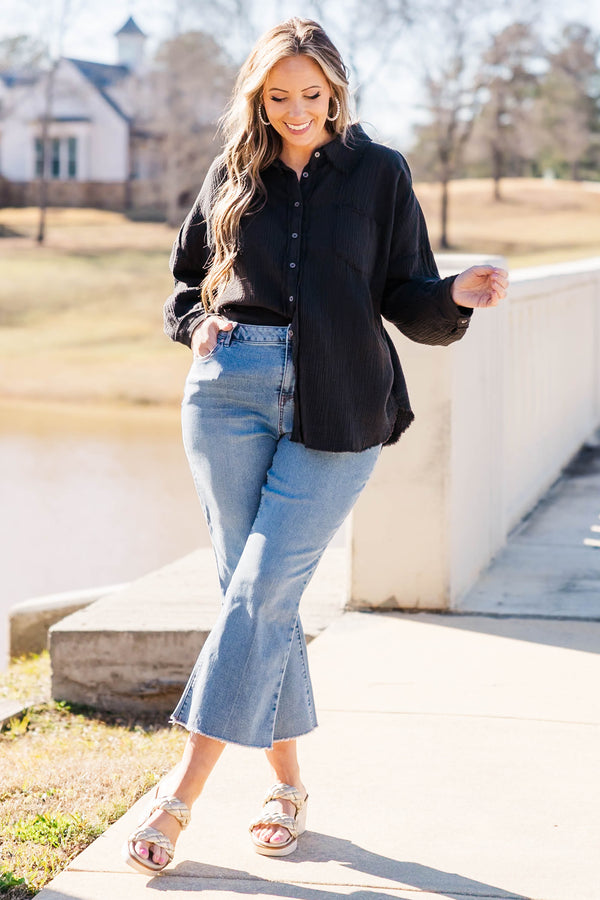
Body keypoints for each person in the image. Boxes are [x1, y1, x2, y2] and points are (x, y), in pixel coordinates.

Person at [122, 17, 508, 873]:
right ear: (259, 96)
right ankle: (286, 788)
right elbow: (186, 282)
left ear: (336, 87)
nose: (297, 111)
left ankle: (178, 796)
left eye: (311, 94)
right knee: (256, 598)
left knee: (258, 591)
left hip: (340, 401)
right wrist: (197, 325)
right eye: (278, 96)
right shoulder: (236, 169)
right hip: (229, 397)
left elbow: (405, 293)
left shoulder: (379, 172)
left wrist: (456, 294)